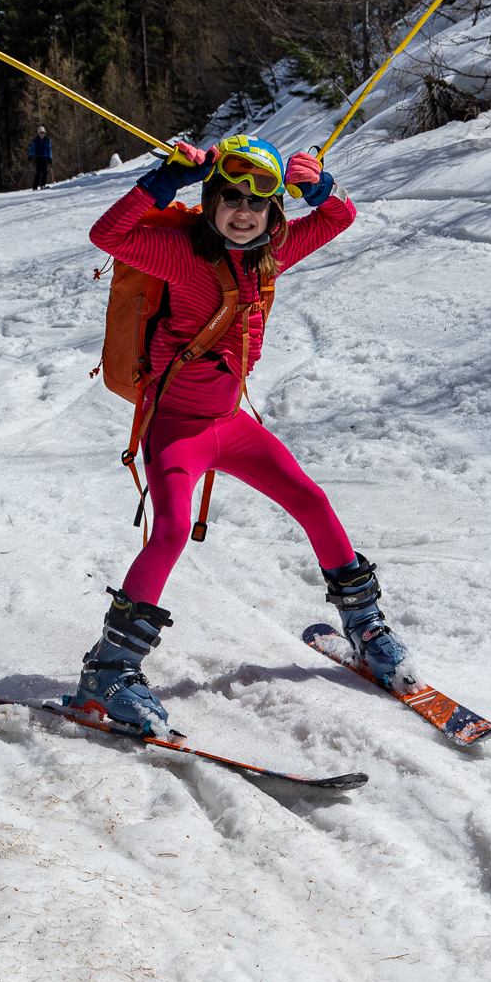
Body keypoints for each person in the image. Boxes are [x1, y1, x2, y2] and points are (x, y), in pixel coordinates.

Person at [68, 134, 414, 738]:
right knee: (172, 528)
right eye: (229, 197)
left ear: (274, 211)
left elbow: (339, 217)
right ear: (211, 201)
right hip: (176, 429)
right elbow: (109, 237)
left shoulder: (270, 255)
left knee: (312, 500)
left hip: (231, 424)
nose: (243, 210)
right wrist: (163, 180)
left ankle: (364, 627)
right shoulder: (182, 255)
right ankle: (109, 672)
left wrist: (318, 185)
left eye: (258, 202)